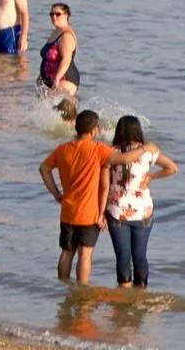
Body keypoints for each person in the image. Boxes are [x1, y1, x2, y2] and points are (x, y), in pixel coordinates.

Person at [102, 114, 176, 288]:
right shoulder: (148, 152)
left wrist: (100, 210)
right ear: (138, 131)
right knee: (140, 256)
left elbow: (104, 184)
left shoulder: (110, 152)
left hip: (117, 210)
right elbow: (172, 168)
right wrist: (151, 176)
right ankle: (141, 294)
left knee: (123, 256)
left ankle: (124, 296)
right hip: (143, 210)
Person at [42, 110, 114, 283]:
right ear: (92, 131)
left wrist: (56, 194)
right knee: (85, 254)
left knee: (67, 252)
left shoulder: (62, 149)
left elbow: (44, 169)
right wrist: (145, 149)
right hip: (89, 214)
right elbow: (122, 158)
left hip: (68, 210)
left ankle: (62, 285)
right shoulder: (99, 150)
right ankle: (82, 290)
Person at [39, 3, 81, 97]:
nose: (54, 17)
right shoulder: (57, 32)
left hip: (64, 80)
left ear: (66, 15)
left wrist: (57, 78)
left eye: (58, 14)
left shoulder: (66, 35)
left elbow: (66, 59)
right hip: (52, 81)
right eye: (51, 14)